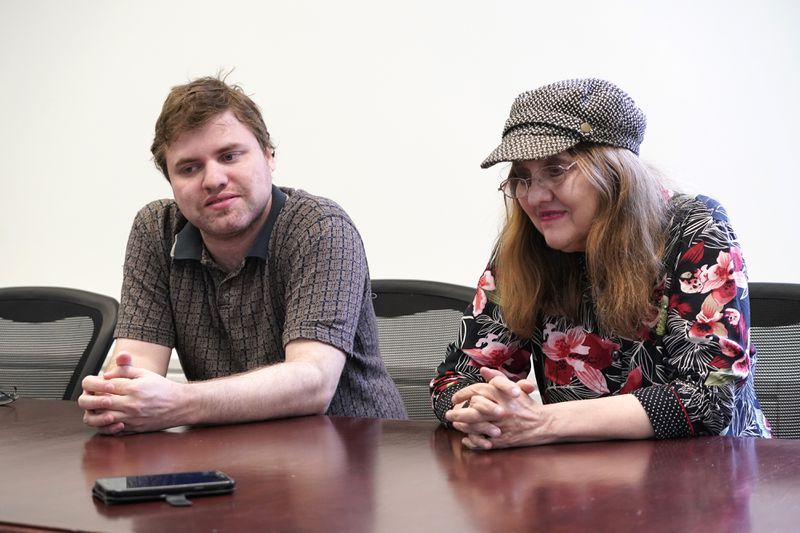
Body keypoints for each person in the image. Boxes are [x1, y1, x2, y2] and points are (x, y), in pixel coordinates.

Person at [431, 78, 771, 449]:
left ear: (615, 173)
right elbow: (453, 378)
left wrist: (540, 421)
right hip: (578, 481)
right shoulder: (528, 245)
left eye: (556, 169)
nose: (534, 195)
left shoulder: (694, 229)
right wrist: (482, 408)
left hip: (702, 479)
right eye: (522, 177)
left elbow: (711, 396)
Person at [79, 75, 406, 434]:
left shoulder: (319, 226)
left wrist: (178, 403)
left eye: (229, 156)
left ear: (269, 156)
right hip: (228, 453)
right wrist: (117, 397)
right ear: (170, 181)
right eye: (189, 168)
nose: (213, 179)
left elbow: (313, 382)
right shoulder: (156, 229)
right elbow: (136, 361)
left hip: (351, 454)